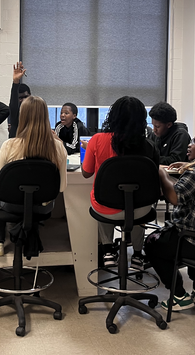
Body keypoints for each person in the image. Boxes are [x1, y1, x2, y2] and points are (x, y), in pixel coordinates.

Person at [144, 130, 195, 312]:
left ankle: (179, 295)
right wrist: (187, 166)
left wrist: (162, 173)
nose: (189, 144)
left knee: (152, 243)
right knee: (193, 229)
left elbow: (175, 197)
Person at [0, 95, 67, 257]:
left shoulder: (9, 145)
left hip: (11, 205)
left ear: (23, 116)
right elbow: (61, 187)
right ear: (45, 116)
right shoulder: (58, 147)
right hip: (43, 207)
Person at [81, 96, 159, 269]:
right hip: (141, 211)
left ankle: (108, 250)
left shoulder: (97, 140)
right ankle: (138, 254)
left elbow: (86, 173)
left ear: (113, 116)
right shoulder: (150, 145)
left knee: (101, 197)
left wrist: (92, 152)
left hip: (107, 210)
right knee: (139, 199)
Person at [9, 61, 31, 138]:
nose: (24, 100)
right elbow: (13, 105)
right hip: (16, 144)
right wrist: (16, 82)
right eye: (20, 98)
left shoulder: (36, 111)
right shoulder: (15, 111)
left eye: (26, 97)